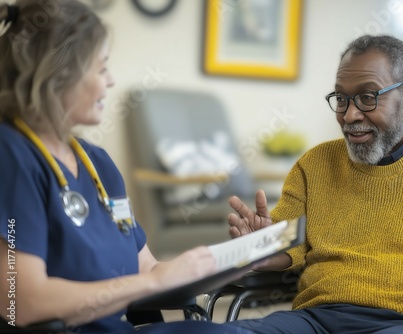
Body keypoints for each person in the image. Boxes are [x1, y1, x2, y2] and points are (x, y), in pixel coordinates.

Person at [0, 1, 254, 333]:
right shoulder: (11, 153)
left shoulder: (97, 163)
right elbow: (21, 302)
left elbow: (146, 269)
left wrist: (229, 262)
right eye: (101, 68)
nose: (110, 81)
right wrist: (149, 284)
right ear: (60, 73)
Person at [226, 34, 403, 334]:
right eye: (341, 99)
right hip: (314, 319)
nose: (350, 115)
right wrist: (262, 246)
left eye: (368, 97)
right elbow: (290, 245)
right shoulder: (315, 164)